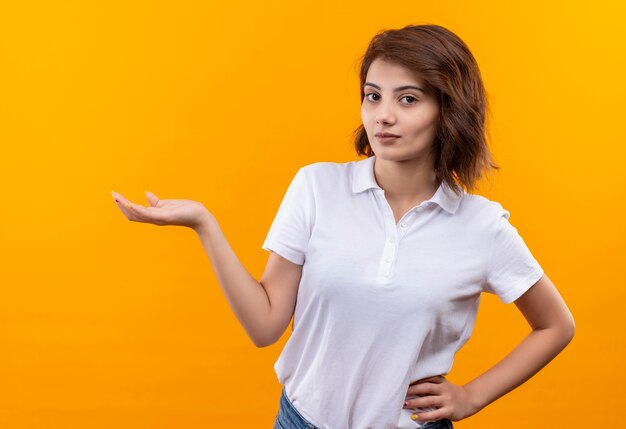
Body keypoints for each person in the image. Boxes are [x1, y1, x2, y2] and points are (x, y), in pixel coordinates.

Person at [111, 24, 575, 429]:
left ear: (448, 110)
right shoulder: (317, 187)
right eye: (372, 95)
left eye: (407, 99)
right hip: (301, 421)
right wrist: (203, 223)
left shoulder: (481, 226)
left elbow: (555, 325)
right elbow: (265, 326)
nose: (383, 114)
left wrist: (471, 396)